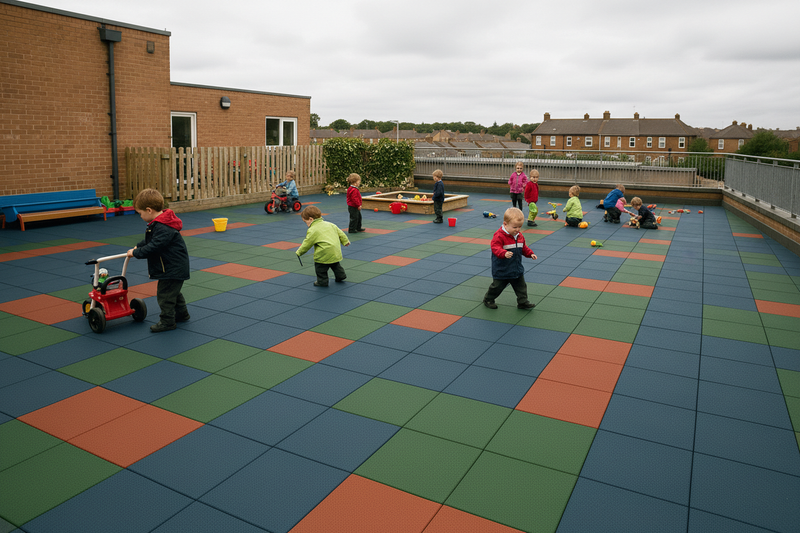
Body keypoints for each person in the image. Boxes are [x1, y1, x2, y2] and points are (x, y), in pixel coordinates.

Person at [126, 188, 190, 333]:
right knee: (173, 292)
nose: (140, 216)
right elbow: (152, 240)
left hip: (172, 267)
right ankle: (182, 314)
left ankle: (167, 322)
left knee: (165, 295)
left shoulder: (162, 227)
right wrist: (140, 245)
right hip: (173, 266)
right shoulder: (161, 223)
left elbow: (155, 246)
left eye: (140, 213)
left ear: (149, 210)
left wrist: (136, 253)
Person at [483, 208, 538, 310]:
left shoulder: (519, 236)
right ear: (505, 224)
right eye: (514, 227)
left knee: (521, 287)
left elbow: (523, 248)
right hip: (502, 269)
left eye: (520, 227)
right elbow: (495, 248)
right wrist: (503, 253)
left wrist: (530, 254)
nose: (517, 230)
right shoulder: (499, 236)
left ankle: (523, 302)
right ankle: (488, 299)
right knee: (497, 287)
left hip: (516, 268)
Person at [296, 205, 350, 287]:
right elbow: (341, 233)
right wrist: (345, 241)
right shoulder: (330, 224)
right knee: (335, 265)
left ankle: (322, 282)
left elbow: (307, 243)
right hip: (335, 251)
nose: (306, 224)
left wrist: (299, 252)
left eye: (305, 222)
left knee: (320, 269)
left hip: (323, 253)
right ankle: (341, 276)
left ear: (311, 219)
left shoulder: (312, 229)